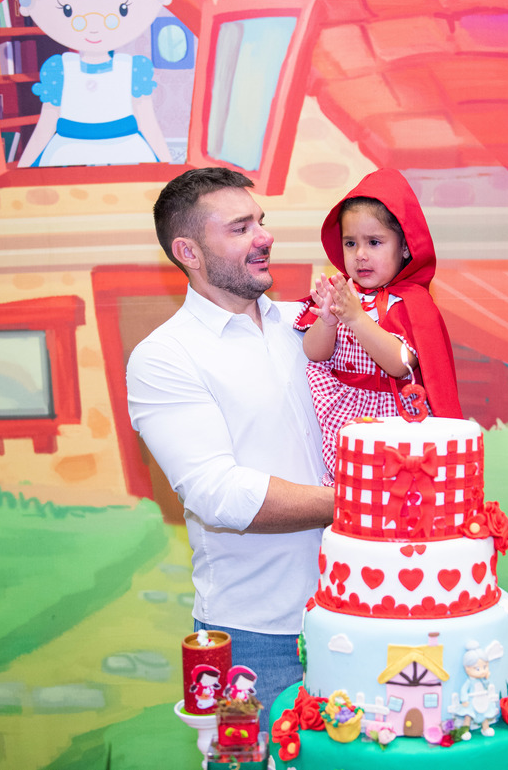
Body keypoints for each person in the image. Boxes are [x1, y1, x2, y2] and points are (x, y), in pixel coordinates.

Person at [126, 167, 334, 721]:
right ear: (188, 252)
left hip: (361, 614)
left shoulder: (307, 326)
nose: (265, 236)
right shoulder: (164, 357)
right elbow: (217, 494)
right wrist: (363, 505)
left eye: (260, 221)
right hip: (257, 640)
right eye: (241, 228)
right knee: (251, 758)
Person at [296, 169, 462, 480]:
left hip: (393, 419)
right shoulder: (343, 293)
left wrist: (356, 318)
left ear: (404, 247)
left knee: (391, 492)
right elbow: (314, 353)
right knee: (345, 492)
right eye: (350, 243)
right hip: (343, 418)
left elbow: (400, 364)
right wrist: (328, 321)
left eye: (374, 242)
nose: (360, 255)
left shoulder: (410, 303)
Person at [8, 0, 174, 167]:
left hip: (125, 147)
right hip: (68, 149)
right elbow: (46, 124)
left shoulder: (132, 69)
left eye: (122, 9)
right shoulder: (59, 69)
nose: (94, 28)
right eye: (68, 10)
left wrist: (169, 166)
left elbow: (148, 123)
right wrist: (23, 167)